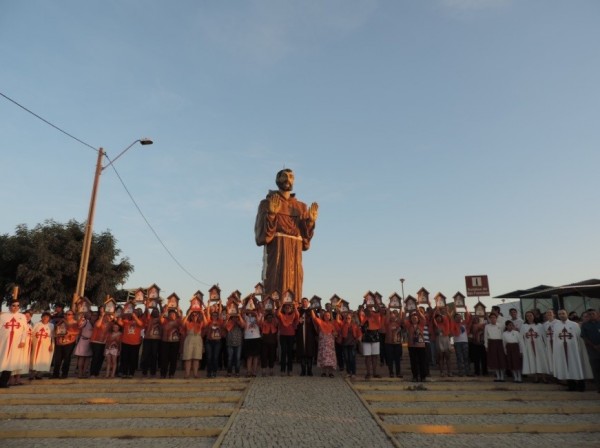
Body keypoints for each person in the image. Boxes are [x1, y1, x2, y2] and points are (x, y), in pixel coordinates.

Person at [255, 168, 318, 302]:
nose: (288, 179)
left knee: (295, 283)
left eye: (291, 177)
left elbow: (305, 242)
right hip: (277, 249)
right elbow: (261, 236)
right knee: (275, 280)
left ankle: (295, 309)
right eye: (284, 176)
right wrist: (271, 215)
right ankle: (272, 309)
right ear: (277, 180)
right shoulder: (267, 203)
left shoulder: (300, 207)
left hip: (295, 250)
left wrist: (310, 222)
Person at [553, 309, 586, 391]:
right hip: (562, 350)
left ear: (567, 314)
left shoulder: (574, 324)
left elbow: (579, 337)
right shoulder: (556, 326)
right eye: (559, 314)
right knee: (566, 366)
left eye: (563, 313)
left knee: (576, 365)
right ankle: (571, 386)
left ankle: (581, 386)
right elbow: (555, 338)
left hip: (574, 350)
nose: (561, 315)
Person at [0, 300, 28, 388]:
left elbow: (25, 330)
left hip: (16, 343)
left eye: (17, 305)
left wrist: (23, 341)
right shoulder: (3, 316)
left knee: (10, 362)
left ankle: (3, 382)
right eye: (13, 305)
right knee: (2, 360)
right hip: (4, 342)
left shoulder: (22, 316)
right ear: (9, 306)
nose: (15, 307)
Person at [520, 310, 550, 383]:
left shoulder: (539, 325)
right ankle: (536, 378)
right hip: (529, 346)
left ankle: (544, 377)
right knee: (532, 361)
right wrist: (522, 349)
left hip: (539, 346)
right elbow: (521, 338)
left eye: (530, 315)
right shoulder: (523, 326)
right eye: (527, 316)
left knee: (541, 360)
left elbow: (544, 336)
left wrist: (546, 346)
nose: (529, 317)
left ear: (533, 316)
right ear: (525, 317)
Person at [310, 308, 338, 377]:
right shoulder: (320, 322)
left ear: (330, 316)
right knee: (323, 357)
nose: (327, 317)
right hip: (323, 344)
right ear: (323, 316)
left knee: (331, 358)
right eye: (325, 315)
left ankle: (331, 372)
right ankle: (324, 372)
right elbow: (314, 318)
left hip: (330, 345)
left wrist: (335, 333)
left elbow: (336, 333)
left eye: (328, 315)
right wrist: (311, 309)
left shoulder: (333, 324)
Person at [52, 309, 80, 378]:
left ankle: (64, 374)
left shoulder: (75, 323)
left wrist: (70, 333)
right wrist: (57, 332)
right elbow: (56, 328)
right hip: (59, 342)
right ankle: (55, 374)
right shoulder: (62, 321)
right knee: (57, 359)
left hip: (69, 343)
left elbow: (78, 332)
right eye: (66, 314)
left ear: (73, 316)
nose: (67, 316)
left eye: (69, 314)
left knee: (66, 359)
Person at [117, 309, 144, 378]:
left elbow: (140, 324)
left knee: (133, 359)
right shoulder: (126, 320)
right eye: (133, 312)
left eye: (136, 313)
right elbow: (119, 322)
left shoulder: (140, 320)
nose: (134, 314)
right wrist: (122, 314)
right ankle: (124, 372)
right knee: (124, 358)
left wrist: (135, 317)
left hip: (135, 343)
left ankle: (131, 373)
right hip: (125, 342)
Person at [359, 305, 383, 379]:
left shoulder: (376, 315)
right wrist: (364, 303)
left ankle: (374, 373)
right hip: (366, 338)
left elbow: (380, 310)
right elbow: (360, 311)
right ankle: (368, 373)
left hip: (375, 337)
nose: (369, 311)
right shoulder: (363, 317)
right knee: (367, 356)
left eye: (370, 309)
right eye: (367, 309)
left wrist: (375, 302)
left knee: (375, 356)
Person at [405, 309, 428, 382]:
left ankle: (423, 377)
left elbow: (423, 318)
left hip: (421, 346)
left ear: (418, 319)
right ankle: (415, 376)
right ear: (410, 320)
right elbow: (405, 320)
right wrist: (409, 312)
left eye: (415, 318)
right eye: (412, 318)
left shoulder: (421, 325)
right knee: (413, 362)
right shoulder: (409, 325)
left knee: (422, 361)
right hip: (412, 346)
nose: (414, 319)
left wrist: (418, 310)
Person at [182, 309, 206, 379]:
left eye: (196, 315)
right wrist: (188, 314)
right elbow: (182, 324)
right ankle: (187, 374)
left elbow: (206, 324)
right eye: (193, 315)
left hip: (198, 339)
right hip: (189, 339)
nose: (194, 316)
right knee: (188, 358)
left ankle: (195, 374)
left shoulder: (200, 323)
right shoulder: (188, 322)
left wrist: (203, 314)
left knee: (196, 358)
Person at [580, 309, 600, 393]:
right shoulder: (585, 325)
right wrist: (594, 346)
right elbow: (584, 337)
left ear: (597, 314)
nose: (591, 315)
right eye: (590, 314)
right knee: (596, 369)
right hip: (592, 350)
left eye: (593, 314)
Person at [160, 308, 183, 379]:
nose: (172, 315)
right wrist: (165, 310)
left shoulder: (178, 321)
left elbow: (182, 321)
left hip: (175, 342)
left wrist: (178, 310)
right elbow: (160, 319)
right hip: (165, 342)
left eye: (173, 314)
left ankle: (171, 374)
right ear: (168, 315)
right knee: (164, 359)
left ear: (176, 315)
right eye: (170, 314)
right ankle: (163, 374)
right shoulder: (165, 320)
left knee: (173, 359)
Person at [296, 298, 317, 376]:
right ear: (301, 303)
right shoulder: (299, 311)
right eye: (303, 302)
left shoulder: (311, 311)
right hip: (301, 333)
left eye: (305, 301)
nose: (304, 303)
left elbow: (315, 320)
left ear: (308, 303)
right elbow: (295, 321)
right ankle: (303, 370)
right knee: (302, 351)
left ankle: (309, 370)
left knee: (309, 351)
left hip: (309, 333)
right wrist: (298, 322)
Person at [30, 311, 54, 379]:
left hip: (46, 345)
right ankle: (32, 374)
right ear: (41, 317)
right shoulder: (37, 324)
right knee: (34, 358)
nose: (45, 318)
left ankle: (39, 374)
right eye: (44, 316)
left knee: (43, 358)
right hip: (36, 344)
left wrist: (51, 345)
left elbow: (52, 336)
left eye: (47, 317)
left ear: (49, 318)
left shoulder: (51, 325)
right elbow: (32, 333)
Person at [89, 308, 112, 377]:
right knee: (96, 357)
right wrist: (101, 316)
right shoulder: (99, 321)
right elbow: (97, 325)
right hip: (95, 341)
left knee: (101, 358)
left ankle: (97, 372)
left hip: (104, 342)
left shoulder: (110, 324)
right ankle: (92, 373)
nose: (108, 317)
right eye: (106, 316)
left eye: (109, 316)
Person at [277, 303, 299, 376]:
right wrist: (281, 305)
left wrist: (295, 307)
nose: (287, 309)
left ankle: (290, 370)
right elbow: (278, 313)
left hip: (291, 335)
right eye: (286, 308)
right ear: (284, 309)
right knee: (283, 352)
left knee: (290, 353)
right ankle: (282, 370)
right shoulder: (282, 315)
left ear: (291, 309)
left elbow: (297, 315)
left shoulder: (293, 315)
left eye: (289, 308)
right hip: (283, 335)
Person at [12, 309, 33, 385]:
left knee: (22, 363)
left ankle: (18, 379)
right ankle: (11, 379)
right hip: (19, 346)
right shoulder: (19, 324)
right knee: (15, 361)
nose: (27, 317)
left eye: (29, 316)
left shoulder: (30, 326)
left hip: (27, 347)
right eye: (25, 316)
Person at [140, 307, 162, 377]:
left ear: (158, 313)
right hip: (147, 339)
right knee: (146, 355)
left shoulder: (160, 319)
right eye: (154, 311)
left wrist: (160, 305)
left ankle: (153, 372)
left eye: (156, 311)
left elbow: (163, 312)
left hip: (156, 340)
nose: (155, 312)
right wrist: (146, 305)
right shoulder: (148, 319)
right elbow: (146, 311)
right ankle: (144, 372)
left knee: (154, 356)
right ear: (151, 312)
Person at [339, 312, 362, 378]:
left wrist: (359, 339)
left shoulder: (355, 325)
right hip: (345, 344)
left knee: (352, 359)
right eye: (346, 318)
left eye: (349, 318)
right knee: (346, 359)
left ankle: (353, 372)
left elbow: (359, 333)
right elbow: (340, 333)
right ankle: (348, 372)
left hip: (352, 344)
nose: (347, 319)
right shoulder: (343, 325)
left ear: (351, 319)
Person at [484, 313, 506, 382]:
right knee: (495, 360)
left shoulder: (500, 325)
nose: (493, 319)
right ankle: (498, 376)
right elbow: (485, 336)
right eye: (491, 318)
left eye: (494, 317)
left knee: (501, 359)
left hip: (499, 343)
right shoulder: (487, 326)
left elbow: (503, 334)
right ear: (489, 319)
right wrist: (486, 345)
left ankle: (502, 376)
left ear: (496, 318)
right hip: (491, 343)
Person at [204, 308, 225, 378]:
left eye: (216, 315)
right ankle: (209, 372)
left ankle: (214, 372)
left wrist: (219, 328)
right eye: (213, 315)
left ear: (218, 316)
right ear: (211, 316)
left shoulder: (220, 323)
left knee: (215, 357)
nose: (214, 316)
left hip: (217, 342)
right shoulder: (208, 322)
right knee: (209, 357)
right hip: (209, 341)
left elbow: (223, 334)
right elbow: (205, 333)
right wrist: (210, 327)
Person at [451, 308, 472, 377]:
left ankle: (467, 371)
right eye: (457, 317)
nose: (459, 318)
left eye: (460, 317)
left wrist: (466, 309)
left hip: (465, 342)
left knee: (466, 357)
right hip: (457, 342)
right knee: (459, 357)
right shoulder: (453, 324)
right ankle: (461, 372)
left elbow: (468, 317)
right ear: (454, 318)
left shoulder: (464, 323)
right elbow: (452, 330)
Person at [432, 306, 452, 377]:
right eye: (437, 318)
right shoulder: (436, 325)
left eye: (439, 317)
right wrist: (436, 310)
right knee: (441, 357)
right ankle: (442, 372)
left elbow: (449, 317)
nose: (438, 318)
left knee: (448, 357)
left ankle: (449, 372)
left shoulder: (446, 322)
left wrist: (446, 311)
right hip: (439, 340)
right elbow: (433, 318)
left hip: (446, 339)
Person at [384, 308, 404, 378]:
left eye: (393, 316)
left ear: (396, 317)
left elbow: (400, 317)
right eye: (391, 316)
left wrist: (401, 308)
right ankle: (391, 372)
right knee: (390, 359)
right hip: (388, 344)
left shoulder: (398, 323)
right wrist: (388, 308)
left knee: (397, 359)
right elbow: (387, 316)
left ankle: (398, 373)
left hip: (397, 344)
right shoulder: (387, 324)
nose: (392, 317)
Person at [73, 311, 94, 378]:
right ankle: (80, 373)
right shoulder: (85, 321)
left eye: (90, 314)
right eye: (87, 314)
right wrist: (80, 318)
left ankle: (84, 372)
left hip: (90, 341)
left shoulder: (92, 322)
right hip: (83, 340)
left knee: (87, 358)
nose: (89, 315)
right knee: (81, 357)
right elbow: (79, 325)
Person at [243, 309, 262, 377]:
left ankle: (254, 371)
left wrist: (256, 315)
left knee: (255, 356)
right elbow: (242, 311)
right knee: (249, 356)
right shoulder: (246, 317)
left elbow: (259, 324)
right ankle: (249, 371)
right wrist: (249, 311)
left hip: (256, 337)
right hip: (248, 338)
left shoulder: (259, 316)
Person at [224, 313, 244, 378]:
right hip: (230, 343)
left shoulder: (239, 322)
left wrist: (239, 316)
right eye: (233, 317)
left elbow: (243, 325)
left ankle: (237, 372)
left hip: (238, 343)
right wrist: (228, 318)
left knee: (237, 358)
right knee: (230, 358)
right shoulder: (229, 322)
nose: (235, 318)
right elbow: (224, 326)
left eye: (236, 317)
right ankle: (229, 372)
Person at [260, 312, 278, 376]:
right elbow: (260, 323)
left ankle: (271, 370)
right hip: (264, 342)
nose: (269, 319)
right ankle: (263, 370)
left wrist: (274, 315)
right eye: (268, 318)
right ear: (266, 318)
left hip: (273, 343)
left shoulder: (274, 322)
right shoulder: (264, 322)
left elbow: (277, 323)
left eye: (271, 318)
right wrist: (263, 315)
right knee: (264, 356)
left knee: (272, 356)